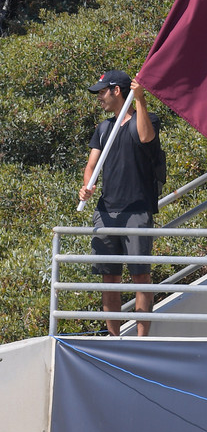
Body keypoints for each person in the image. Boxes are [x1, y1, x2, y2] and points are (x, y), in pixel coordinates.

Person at [79, 69, 161, 337]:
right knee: (109, 279)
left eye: (103, 91)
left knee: (141, 277)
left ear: (117, 91)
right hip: (106, 211)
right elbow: (91, 165)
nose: (99, 97)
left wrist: (140, 99)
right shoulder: (103, 128)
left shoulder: (147, 119)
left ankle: (140, 340)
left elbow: (146, 137)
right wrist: (87, 185)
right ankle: (114, 339)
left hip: (137, 210)